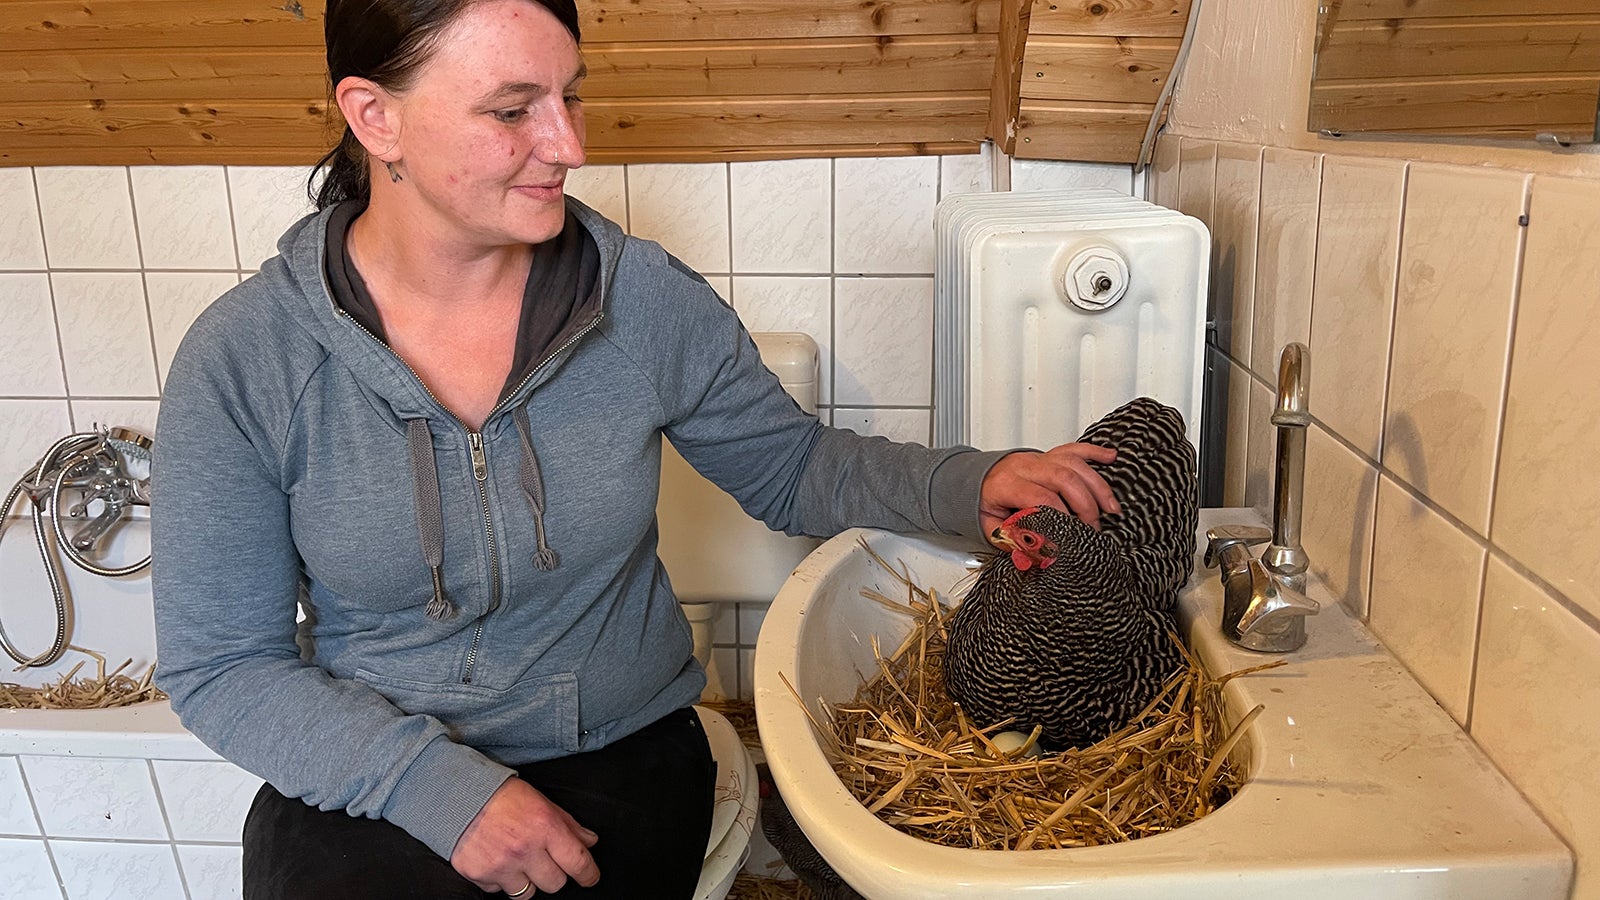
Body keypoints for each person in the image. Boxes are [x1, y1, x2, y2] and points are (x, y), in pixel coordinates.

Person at [150, 1, 1120, 897]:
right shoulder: (246, 361)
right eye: (511, 110)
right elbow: (224, 665)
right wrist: (438, 791)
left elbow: (794, 465)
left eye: (568, 98)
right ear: (375, 117)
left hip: (617, 748)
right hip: (369, 768)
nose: (566, 145)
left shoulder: (642, 301)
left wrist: (969, 482)